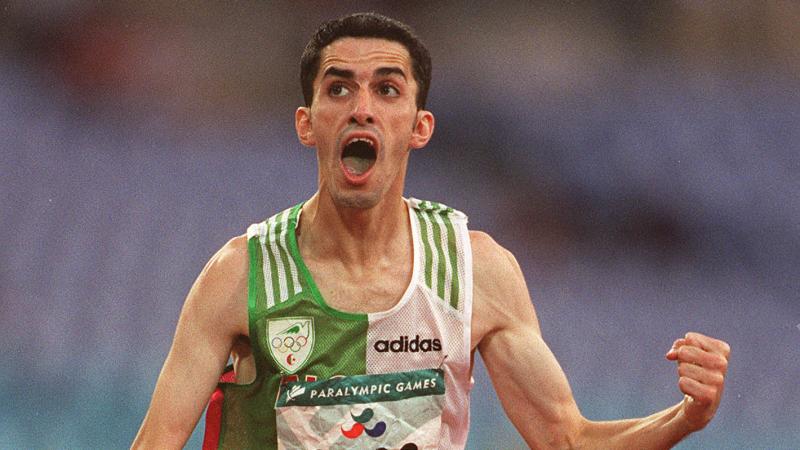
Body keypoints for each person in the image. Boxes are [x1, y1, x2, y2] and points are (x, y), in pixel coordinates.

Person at [132, 12, 730, 449]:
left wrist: (684, 418)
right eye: (338, 87)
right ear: (307, 123)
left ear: (419, 127)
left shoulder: (476, 272)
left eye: (386, 89)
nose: (361, 107)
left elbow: (567, 440)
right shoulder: (241, 276)